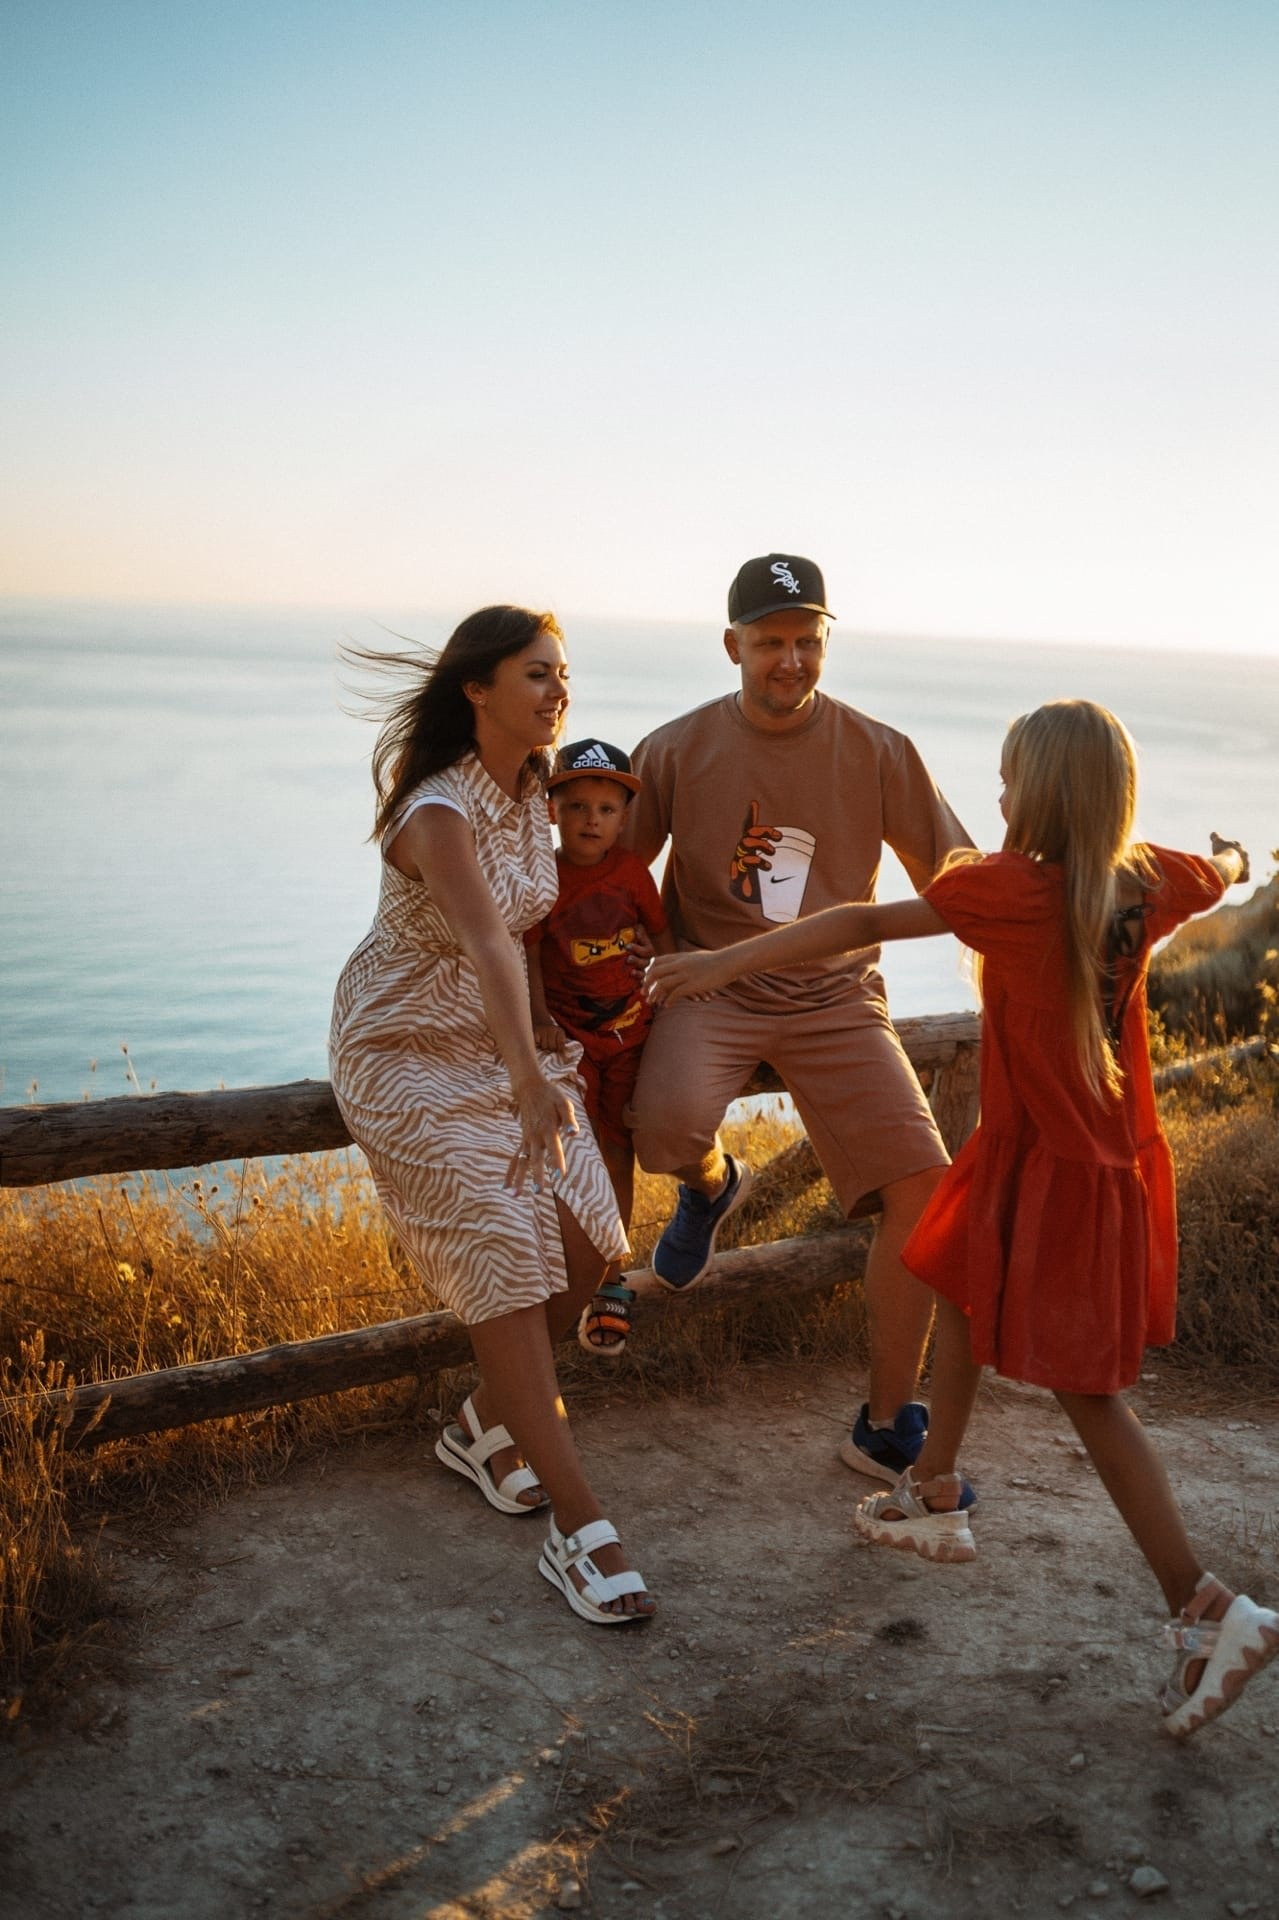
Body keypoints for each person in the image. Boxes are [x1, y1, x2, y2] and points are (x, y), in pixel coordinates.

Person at [648, 699, 1277, 1736]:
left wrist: (717, 965)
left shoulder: (1006, 889)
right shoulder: (1150, 877)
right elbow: (1223, 872)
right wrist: (1241, 853)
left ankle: (1206, 1607)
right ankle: (932, 1493)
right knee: (957, 1278)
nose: (992, 794)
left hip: (1056, 1173)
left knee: (1091, 1397)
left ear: (1040, 793)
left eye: (1006, 777)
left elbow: (855, 923)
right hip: (1078, 1162)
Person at [329, 607, 654, 1625]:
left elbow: (525, 938)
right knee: (508, 1263)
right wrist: (526, 1075)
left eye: (563, 672)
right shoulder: (436, 814)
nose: (558, 689)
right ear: (476, 688)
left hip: (505, 1047)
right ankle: (582, 1532)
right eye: (535, 673)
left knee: (591, 1248)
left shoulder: (527, 791)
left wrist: (540, 1050)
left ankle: (480, 1422)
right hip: (406, 1056)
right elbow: (478, 938)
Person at [625, 552, 972, 1484]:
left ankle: (885, 1423)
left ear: (826, 643)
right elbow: (605, 879)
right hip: (714, 989)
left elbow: (959, 878)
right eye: (770, 642)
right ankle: (709, 1186)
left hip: (837, 1002)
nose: (790, 660)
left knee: (926, 1197)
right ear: (731, 644)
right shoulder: (672, 749)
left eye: (807, 642)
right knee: (660, 1134)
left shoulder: (878, 749)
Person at [525, 738, 675, 1357]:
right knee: (568, 1164)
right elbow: (528, 950)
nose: (592, 821)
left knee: (617, 1152)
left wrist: (657, 965)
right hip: (571, 1044)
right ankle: (561, 1279)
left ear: (623, 815)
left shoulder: (634, 872)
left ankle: (612, 1277)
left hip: (631, 1034)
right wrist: (537, 1019)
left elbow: (662, 939)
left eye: (607, 809)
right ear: (553, 809)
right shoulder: (544, 876)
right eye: (578, 806)